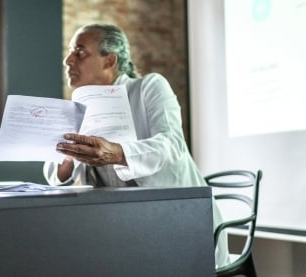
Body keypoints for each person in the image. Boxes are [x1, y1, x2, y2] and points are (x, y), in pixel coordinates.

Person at [43, 23, 228, 264]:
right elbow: (55, 175)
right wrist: (67, 154)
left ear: (110, 60)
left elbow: (172, 144)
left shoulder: (149, 87)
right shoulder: (77, 107)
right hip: (116, 225)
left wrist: (118, 153)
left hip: (176, 218)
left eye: (80, 52)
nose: (68, 60)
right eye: (69, 52)